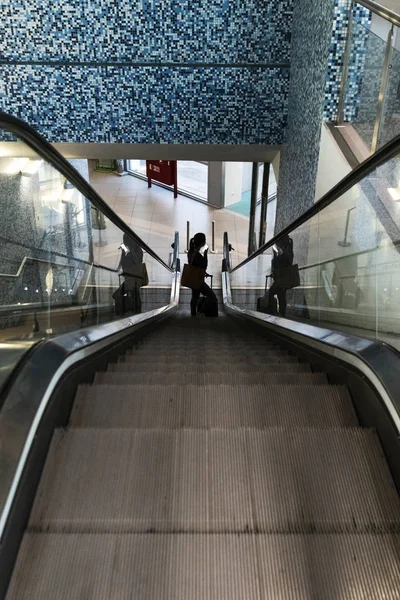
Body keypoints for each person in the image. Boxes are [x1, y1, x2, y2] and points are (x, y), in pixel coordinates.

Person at [188, 232, 218, 318]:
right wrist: (205, 254)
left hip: (193, 278)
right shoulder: (197, 255)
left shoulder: (191, 252)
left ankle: (193, 314)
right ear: (202, 242)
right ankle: (200, 312)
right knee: (212, 297)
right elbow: (204, 265)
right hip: (198, 280)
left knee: (195, 296)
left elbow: (196, 266)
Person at [115, 233, 143, 315]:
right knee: (133, 294)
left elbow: (138, 263)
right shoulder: (125, 248)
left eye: (125, 241)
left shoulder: (138, 250)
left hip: (134, 277)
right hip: (127, 276)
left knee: (132, 294)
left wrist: (130, 252)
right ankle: (133, 311)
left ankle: (133, 311)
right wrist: (118, 267)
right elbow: (122, 258)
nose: (124, 242)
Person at [267, 234, 294, 317]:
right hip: (281, 278)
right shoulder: (288, 251)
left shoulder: (287, 252)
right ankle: (281, 314)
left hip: (282, 279)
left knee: (275, 295)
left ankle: (279, 313)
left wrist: (275, 257)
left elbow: (285, 262)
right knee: (281, 296)